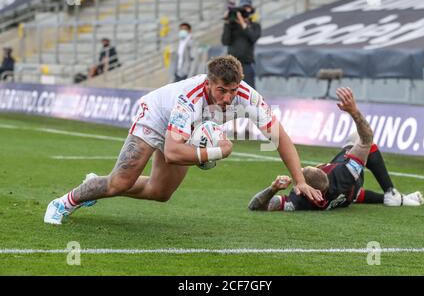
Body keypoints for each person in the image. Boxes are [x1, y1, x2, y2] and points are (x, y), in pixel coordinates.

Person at [44, 55, 323, 225]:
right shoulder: (188, 98)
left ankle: (97, 184)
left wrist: (299, 179)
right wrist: (218, 152)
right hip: (156, 115)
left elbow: (280, 137)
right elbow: (174, 151)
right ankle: (63, 202)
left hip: (191, 129)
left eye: (232, 91)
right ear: (208, 84)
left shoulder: (248, 98)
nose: (227, 98)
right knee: (121, 182)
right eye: (221, 90)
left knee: (160, 192)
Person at [248, 87, 424, 212]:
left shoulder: (299, 202)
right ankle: (392, 193)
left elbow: (255, 205)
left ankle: (398, 199)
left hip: (348, 196)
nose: (298, 173)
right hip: (350, 185)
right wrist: (354, 111)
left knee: (353, 194)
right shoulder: (343, 174)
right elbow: (367, 138)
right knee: (359, 138)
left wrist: (273, 188)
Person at [221, 0, 261, 90]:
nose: (245, 11)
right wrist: (227, 23)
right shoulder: (232, 25)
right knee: (230, 89)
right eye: (243, 9)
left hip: (246, 63)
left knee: (249, 90)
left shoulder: (255, 25)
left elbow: (253, 37)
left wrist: (243, 22)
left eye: (247, 8)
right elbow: (225, 41)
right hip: (232, 64)